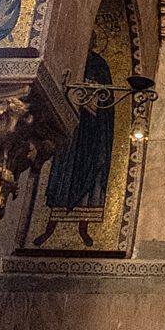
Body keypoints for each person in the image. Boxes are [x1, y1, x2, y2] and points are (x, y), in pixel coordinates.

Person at [32, 27, 116, 248]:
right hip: (72, 129)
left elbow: (108, 99)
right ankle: (50, 227)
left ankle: (84, 227)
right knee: (63, 175)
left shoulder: (100, 65)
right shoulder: (73, 59)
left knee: (90, 172)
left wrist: (93, 94)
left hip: (93, 129)